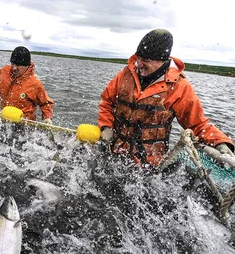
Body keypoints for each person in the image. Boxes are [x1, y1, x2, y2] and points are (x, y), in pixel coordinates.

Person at [98, 28, 234, 167]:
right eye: (138, 58)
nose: (138, 64)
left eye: (145, 60)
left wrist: (220, 142)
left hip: (149, 167)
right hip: (113, 153)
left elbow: (198, 124)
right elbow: (106, 102)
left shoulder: (180, 87)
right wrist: (105, 127)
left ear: (162, 60)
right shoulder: (125, 74)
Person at [0, 46, 54, 123]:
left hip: (25, 126)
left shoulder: (35, 84)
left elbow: (46, 103)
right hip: (4, 119)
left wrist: (47, 117)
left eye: (18, 65)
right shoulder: (4, 71)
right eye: (13, 63)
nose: (14, 68)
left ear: (27, 66)